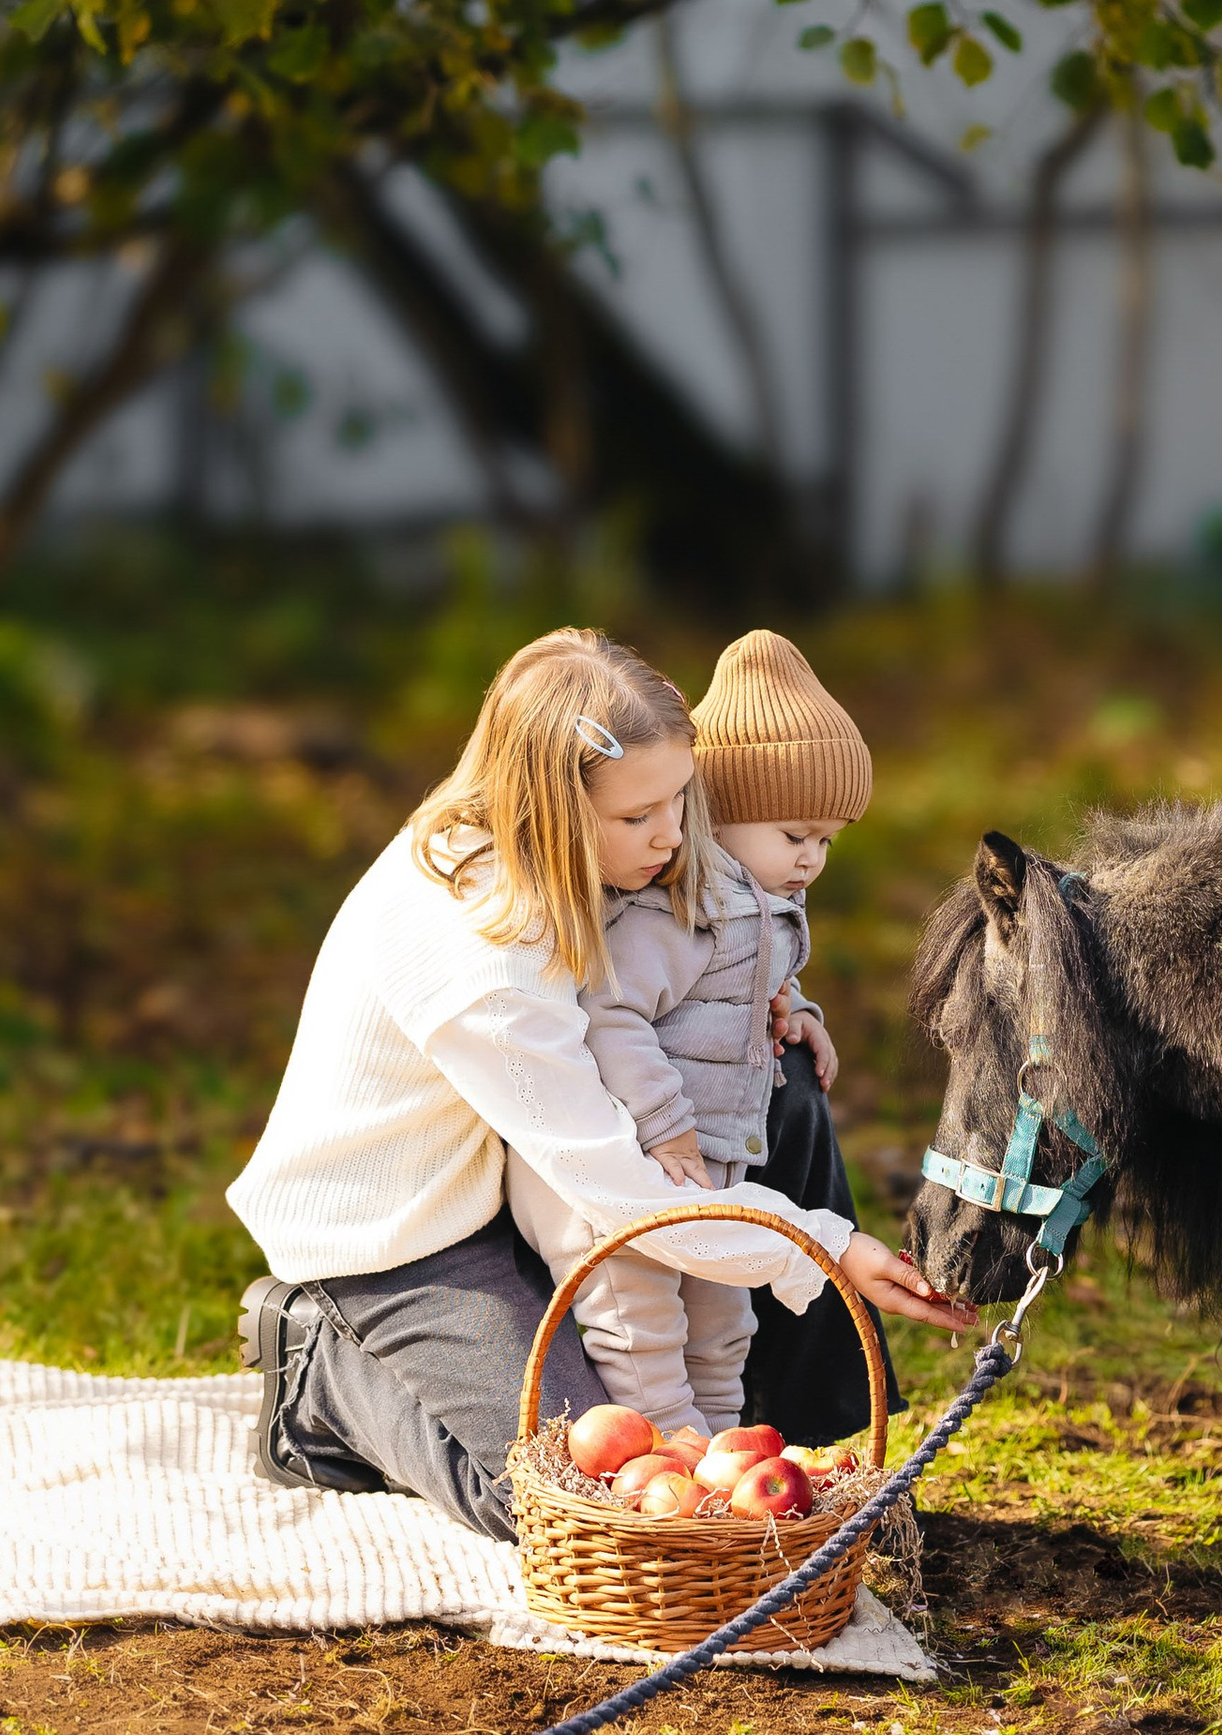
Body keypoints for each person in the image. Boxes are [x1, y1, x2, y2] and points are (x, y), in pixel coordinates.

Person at [227, 626, 974, 1537]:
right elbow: (622, 1191)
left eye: (680, 802)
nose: (671, 835)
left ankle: (817, 1455)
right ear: (545, 804)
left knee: (783, 1090)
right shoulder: (484, 963)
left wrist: (764, 1007)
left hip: (516, 1171)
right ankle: (319, 1371)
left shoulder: (582, 857)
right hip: (403, 1243)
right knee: (573, 1497)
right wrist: (828, 1247)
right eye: (637, 817)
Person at [506, 628, 873, 1441]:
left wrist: (796, 1009)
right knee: (646, 1325)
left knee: (722, 1325)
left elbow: (752, 984)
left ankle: (721, 1462)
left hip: (715, 1158)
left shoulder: (764, 901)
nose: (811, 859)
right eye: (794, 836)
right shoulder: (680, 909)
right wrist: (666, 1119)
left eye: (826, 841)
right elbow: (612, 1011)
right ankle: (673, 1460)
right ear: (729, 812)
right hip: (642, 1154)